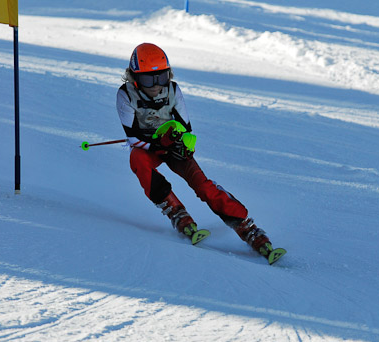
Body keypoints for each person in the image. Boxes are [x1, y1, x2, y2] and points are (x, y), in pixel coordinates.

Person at [116, 43, 282, 260]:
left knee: (202, 185)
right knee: (137, 160)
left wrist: (183, 146)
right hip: (147, 148)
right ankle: (177, 212)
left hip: (173, 145)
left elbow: (186, 128)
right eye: (149, 79)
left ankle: (246, 226)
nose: (156, 86)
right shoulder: (125, 95)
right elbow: (133, 138)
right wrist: (157, 146)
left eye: (162, 77)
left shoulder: (173, 90)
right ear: (134, 78)